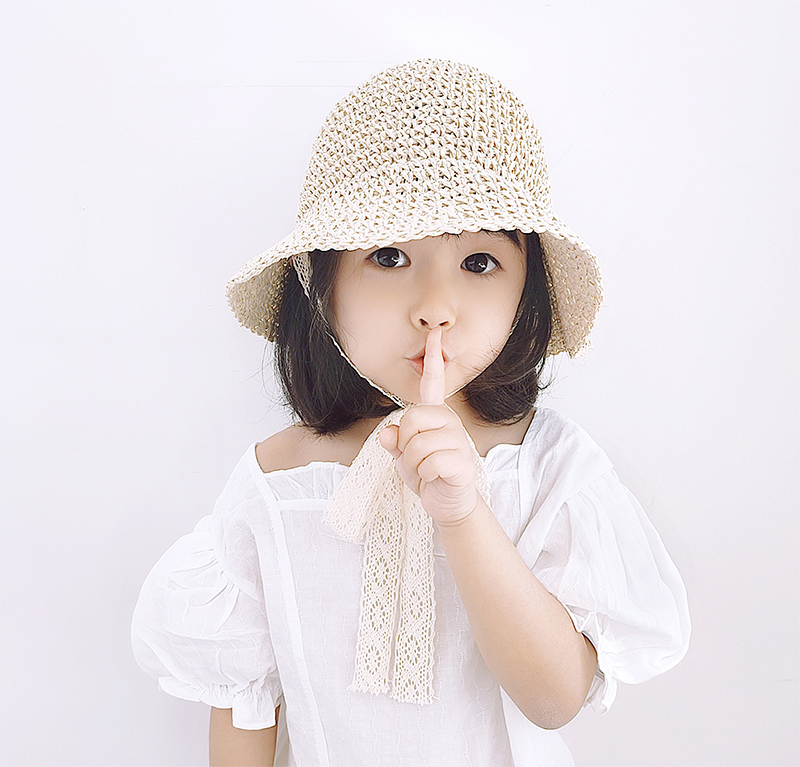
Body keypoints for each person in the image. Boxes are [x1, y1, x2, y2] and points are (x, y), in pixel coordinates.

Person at [132, 59, 690, 767]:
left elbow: (555, 700)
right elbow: (244, 701)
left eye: (479, 262)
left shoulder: (546, 469)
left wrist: (463, 514)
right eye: (390, 255)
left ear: (527, 291)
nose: (435, 307)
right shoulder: (277, 483)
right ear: (320, 279)